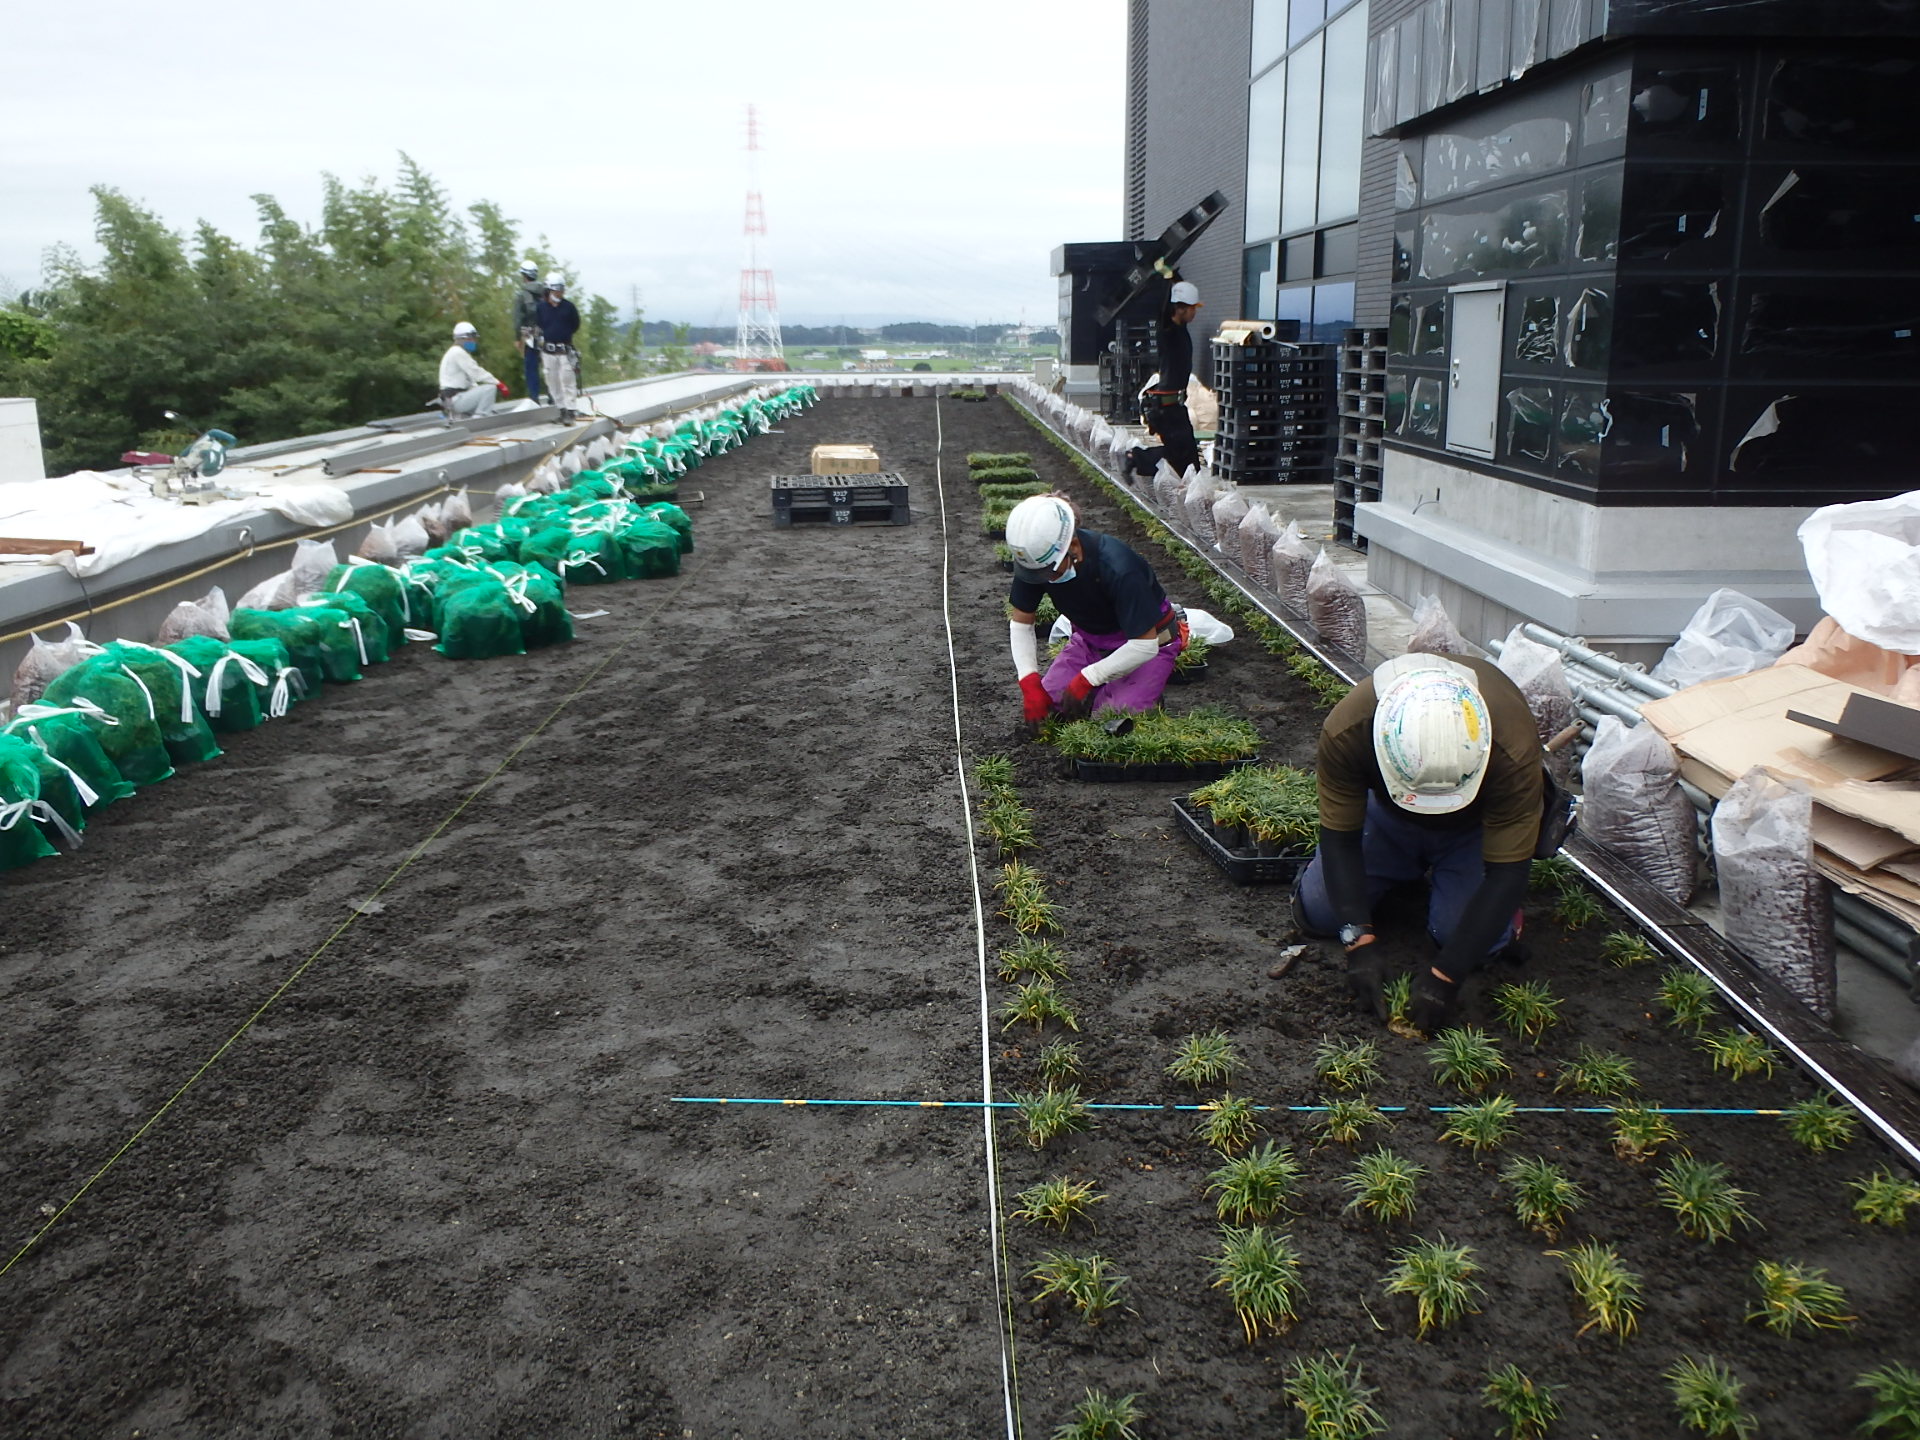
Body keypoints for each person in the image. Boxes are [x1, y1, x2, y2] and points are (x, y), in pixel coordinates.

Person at [1293, 653, 1544, 1034]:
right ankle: (1404, 873)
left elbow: (1507, 873)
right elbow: (1341, 838)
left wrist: (1447, 976)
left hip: (1472, 830)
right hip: (1389, 818)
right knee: (1323, 914)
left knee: (1467, 939)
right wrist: (1357, 941)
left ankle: (1488, 908)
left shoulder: (1511, 747)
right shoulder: (1351, 728)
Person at [1003, 494, 1188, 722]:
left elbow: (1145, 644)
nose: (1046, 579)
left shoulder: (1118, 566)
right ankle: (1106, 688)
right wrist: (1029, 681)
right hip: (1091, 642)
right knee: (1050, 710)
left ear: (1072, 547)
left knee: (1113, 719)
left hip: (1149, 644)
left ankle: (1144, 697)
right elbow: (1022, 622)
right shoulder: (1038, 561)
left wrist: (1088, 678)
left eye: (1050, 572)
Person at [1139, 279, 1203, 476]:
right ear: (1180, 308)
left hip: (1175, 404)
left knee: (1189, 459)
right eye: (1192, 308)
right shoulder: (1168, 333)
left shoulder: (1182, 330)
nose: (1195, 312)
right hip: (1167, 406)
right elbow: (1163, 311)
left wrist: (1174, 278)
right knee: (1180, 456)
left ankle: (1137, 459)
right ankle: (1134, 458)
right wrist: (1166, 281)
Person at [536, 274, 583, 421]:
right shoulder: (541, 308)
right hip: (548, 351)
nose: (559, 294)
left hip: (565, 350)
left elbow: (575, 325)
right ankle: (561, 409)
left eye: (561, 291)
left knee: (567, 379)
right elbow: (540, 325)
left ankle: (571, 410)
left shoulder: (569, 307)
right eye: (556, 291)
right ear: (549, 290)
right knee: (552, 381)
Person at [438, 322, 505, 420]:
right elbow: (476, 372)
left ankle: (477, 415)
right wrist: (498, 383)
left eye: (474, 339)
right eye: (470, 339)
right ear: (460, 339)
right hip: (455, 400)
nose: (473, 341)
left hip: (453, 400)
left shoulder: (456, 353)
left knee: (487, 405)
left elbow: (471, 382)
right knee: (490, 388)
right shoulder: (457, 352)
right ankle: (480, 418)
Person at [512, 262, 547, 401]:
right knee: (549, 367)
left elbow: (518, 318)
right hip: (546, 335)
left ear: (524, 276)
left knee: (531, 368)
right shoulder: (546, 292)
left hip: (530, 337)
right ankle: (553, 397)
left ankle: (534, 398)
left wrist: (517, 338)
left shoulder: (522, 295)